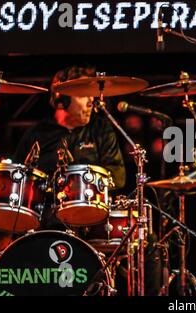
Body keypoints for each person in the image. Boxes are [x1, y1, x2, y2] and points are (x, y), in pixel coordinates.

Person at [12, 65, 126, 229]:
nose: (90, 101)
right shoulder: (37, 134)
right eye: (83, 95)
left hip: (91, 221)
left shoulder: (101, 130)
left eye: (92, 95)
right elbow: (17, 180)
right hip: (43, 222)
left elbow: (118, 176)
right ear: (61, 99)